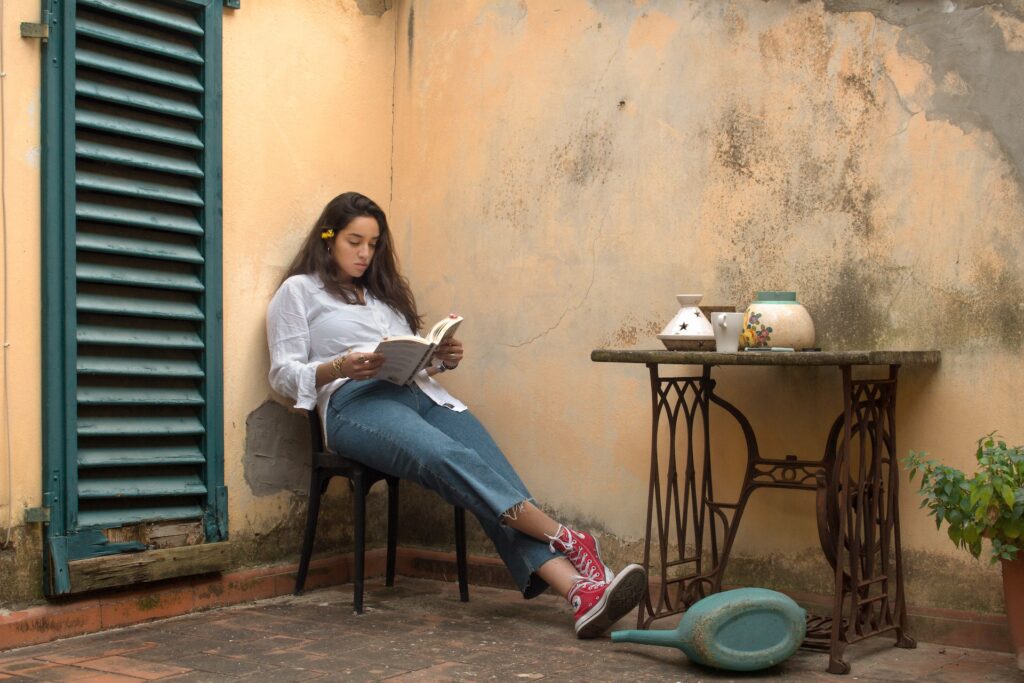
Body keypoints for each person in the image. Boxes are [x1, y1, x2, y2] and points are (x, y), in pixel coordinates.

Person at [267, 191, 646, 638]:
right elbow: (281, 374)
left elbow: (406, 358)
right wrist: (337, 366)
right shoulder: (299, 292)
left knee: (492, 476)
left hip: (423, 394)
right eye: (355, 242)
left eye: (373, 244)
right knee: (449, 459)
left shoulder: (383, 297)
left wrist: (440, 357)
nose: (365, 254)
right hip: (356, 404)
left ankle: (579, 593)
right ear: (328, 239)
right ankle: (569, 539)